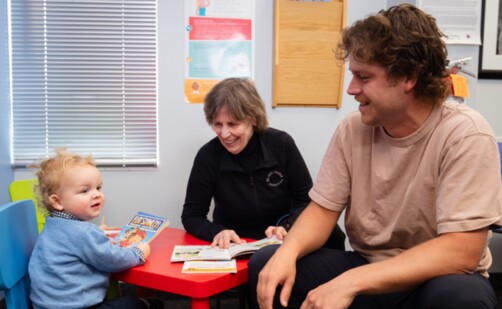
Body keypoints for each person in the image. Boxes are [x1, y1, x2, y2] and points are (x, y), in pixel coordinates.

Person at [250, 4, 502, 309]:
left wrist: (349, 283)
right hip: (369, 264)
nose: (351, 89)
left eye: (364, 77)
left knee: (463, 299)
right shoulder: (352, 129)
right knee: (269, 266)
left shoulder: (465, 134)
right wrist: (287, 253)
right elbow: (322, 211)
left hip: (437, 276)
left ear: (409, 77)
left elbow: (461, 252)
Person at [181, 77, 346, 250]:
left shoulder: (281, 144)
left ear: (253, 118)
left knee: (332, 236)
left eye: (233, 124)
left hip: (283, 237)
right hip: (237, 243)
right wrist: (217, 232)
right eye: (217, 124)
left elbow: (305, 200)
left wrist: (287, 226)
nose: (224, 134)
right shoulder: (207, 156)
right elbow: (192, 215)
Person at [28, 148, 162, 309]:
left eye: (98, 188)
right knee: (131, 303)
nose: (97, 194)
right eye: (85, 191)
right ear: (58, 202)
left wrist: (97, 232)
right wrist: (139, 253)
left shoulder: (53, 225)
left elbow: (75, 243)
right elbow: (113, 260)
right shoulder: (84, 233)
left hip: (45, 305)